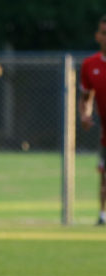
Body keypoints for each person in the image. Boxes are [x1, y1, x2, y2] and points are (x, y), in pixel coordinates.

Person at [79, 15, 106, 226]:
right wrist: (85, 115)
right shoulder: (90, 65)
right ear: (98, 36)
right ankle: (103, 215)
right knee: (104, 174)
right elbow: (86, 97)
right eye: (104, 33)